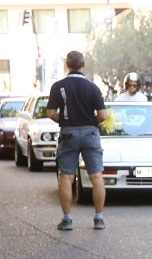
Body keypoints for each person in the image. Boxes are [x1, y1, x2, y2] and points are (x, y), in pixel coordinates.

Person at [47, 50, 109, 230]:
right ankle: (98, 218)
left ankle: (67, 220)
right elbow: (103, 115)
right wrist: (90, 122)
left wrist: (65, 120)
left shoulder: (58, 86)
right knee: (96, 176)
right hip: (90, 134)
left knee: (66, 177)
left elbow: (51, 113)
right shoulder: (93, 87)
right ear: (83, 65)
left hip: (68, 134)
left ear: (67, 65)